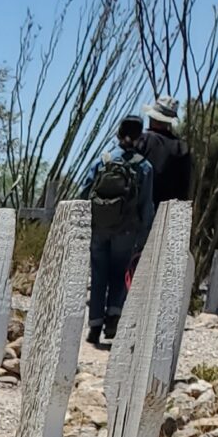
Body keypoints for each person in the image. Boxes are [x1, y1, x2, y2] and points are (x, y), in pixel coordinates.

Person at [81, 116, 155, 345]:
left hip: (100, 227)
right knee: (120, 273)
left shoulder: (103, 160)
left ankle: (94, 325)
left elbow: (85, 192)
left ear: (117, 133)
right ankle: (113, 317)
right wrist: (144, 235)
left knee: (98, 273)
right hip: (127, 230)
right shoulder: (144, 166)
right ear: (140, 136)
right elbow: (146, 204)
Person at [143, 97, 194, 206]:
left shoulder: (141, 141)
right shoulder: (181, 148)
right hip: (168, 214)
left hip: (138, 213)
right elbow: (184, 187)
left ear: (152, 117)